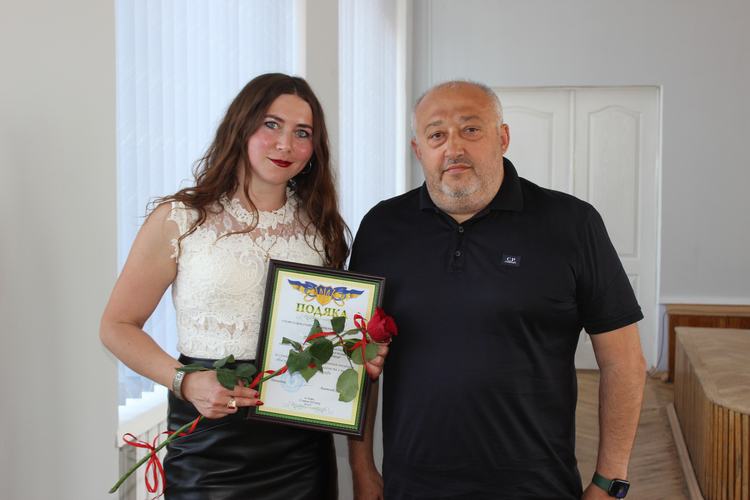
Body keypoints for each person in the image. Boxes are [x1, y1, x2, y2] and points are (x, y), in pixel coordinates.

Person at [347, 81, 646, 500]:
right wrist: (362, 468)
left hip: (536, 487)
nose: (453, 148)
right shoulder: (381, 228)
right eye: (436, 135)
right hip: (412, 485)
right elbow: (358, 358)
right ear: (418, 150)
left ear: (502, 138)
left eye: (471, 130)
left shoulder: (572, 224)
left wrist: (609, 482)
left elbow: (623, 361)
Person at [100, 73, 387, 499]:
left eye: (302, 133)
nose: (285, 144)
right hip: (207, 446)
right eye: (271, 124)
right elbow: (116, 326)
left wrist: (359, 352)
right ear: (241, 127)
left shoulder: (322, 229)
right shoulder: (181, 219)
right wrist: (185, 382)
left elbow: (331, 332)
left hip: (300, 451)